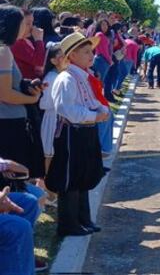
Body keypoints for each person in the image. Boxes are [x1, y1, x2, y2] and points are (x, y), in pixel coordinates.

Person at [47, 32, 109, 237]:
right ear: (71, 56)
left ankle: (83, 219)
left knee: (83, 177)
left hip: (84, 132)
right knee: (70, 179)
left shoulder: (82, 76)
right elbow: (68, 110)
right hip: (71, 134)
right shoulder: (66, 79)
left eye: (91, 51)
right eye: (85, 52)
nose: (91, 55)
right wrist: (94, 116)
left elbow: (90, 101)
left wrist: (102, 110)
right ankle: (68, 224)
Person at [0, 5, 46, 192]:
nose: (27, 28)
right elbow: (5, 94)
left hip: (9, 121)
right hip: (8, 124)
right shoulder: (3, 51)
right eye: (23, 23)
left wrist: (26, 85)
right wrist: (32, 99)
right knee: (13, 182)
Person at [40, 43, 67, 186]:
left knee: (54, 153)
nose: (65, 58)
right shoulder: (51, 77)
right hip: (52, 119)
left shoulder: (62, 75)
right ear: (53, 61)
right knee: (48, 154)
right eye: (61, 56)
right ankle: (46, 188)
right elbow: (44, 103)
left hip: (59, 118)